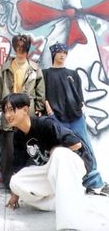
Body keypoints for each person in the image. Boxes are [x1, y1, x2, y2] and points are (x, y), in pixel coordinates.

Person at [1, 93, 93, 231]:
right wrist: (15, 194)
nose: (7, 115)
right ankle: (58, 201)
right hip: (51, 172)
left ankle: (69, 225)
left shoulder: (45, 124)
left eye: (11, 109)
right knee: (15, 181)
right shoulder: (18, 136)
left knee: (59, 154)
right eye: (5, 111)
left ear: (25, 109)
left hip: (75, 163)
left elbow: (77, 145)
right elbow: (19, 166)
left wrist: (55, 150)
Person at [42, 42, 109, 196]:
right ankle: (61, 186)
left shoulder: (73, 73)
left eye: (65, 52)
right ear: (53, 54)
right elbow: (42, 94)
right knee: (60, 151)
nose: (62, 55)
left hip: (76, 116)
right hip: (57, 117)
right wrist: (49, 110)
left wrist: (82, 108)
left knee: (86, 148)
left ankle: (94, 183)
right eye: (59, 52)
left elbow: (79, 94)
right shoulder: (45, 73)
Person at [0, 34, 45, 189]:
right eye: (17, 46)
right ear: (15, 47)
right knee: (8, 151)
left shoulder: (35, 68)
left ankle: (25, 183)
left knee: (28, 149)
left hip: (27, 115)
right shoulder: (6, 67)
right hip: (9, 113)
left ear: (27, 48)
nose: (20, 50)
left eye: (23, 47)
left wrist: (40, 108)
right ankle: (9, 184)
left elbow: (40, 91)